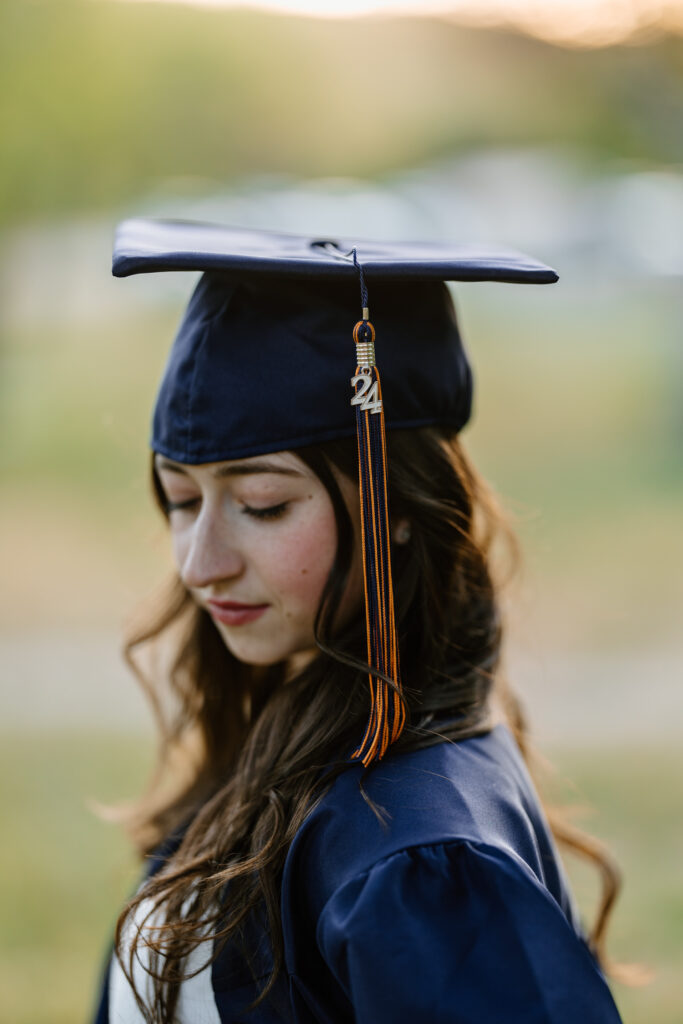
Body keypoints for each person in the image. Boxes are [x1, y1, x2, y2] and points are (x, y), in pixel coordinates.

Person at [90, 220, 626, 1023]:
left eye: (263, 505)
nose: (200, 563)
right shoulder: (294, 742)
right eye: (181, 498)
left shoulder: (419, 857)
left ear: (398, 507)